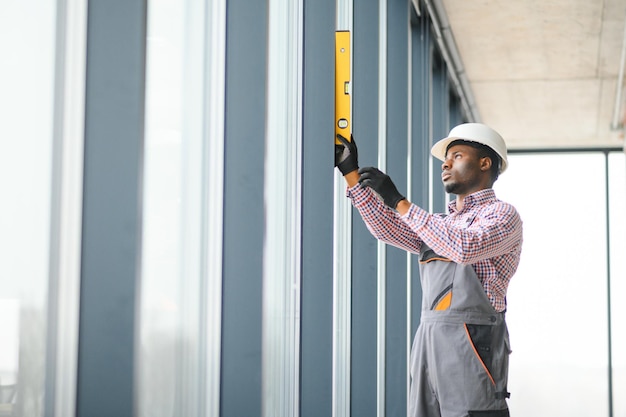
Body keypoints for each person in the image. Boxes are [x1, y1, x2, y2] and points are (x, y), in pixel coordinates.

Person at [335, 123, 523, 417]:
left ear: (485, 163)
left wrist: (399, 201)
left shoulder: (502, 215)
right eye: (446, 159)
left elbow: (464, 247)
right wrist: (352, 175)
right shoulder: (440, 223)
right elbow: (390, 229)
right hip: (429, 337)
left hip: (473, 340)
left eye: (457, 155)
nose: (445, 164)